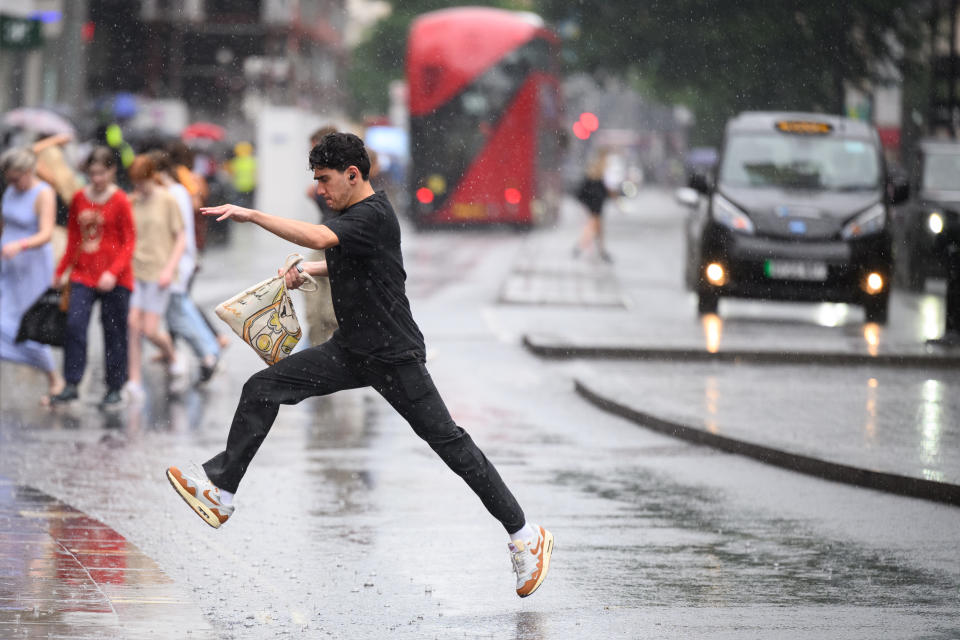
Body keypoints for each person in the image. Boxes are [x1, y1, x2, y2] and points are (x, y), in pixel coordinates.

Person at [166, 133, 553, 599]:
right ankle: (222, 492)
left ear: (354, 174)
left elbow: (319, 238)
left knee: (450, 443)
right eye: (315, 181)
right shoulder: (354, 216)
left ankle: (526, 534)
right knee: (263, 388)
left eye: (325, 180)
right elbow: (352, 260)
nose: (319, 190)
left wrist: (250, 214)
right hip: (352, 349)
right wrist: (309, 271)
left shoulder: (371, 214)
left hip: (393, 354)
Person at [50, 147, 136, 407]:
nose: (96, 178)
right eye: (92, 173)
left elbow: (129, 241)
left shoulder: (120, 200)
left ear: (111, 171)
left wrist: (113, 272)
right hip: (83, 273)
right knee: (75, 326)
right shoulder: (79, 198)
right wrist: (61, 269)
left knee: (113, 332)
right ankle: (72, 382)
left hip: (115, 278)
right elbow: (74, 237)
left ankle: (114, 387)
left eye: (101, 173)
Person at [150, 150, 221, 381]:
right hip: (180, 259)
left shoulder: (173, 193)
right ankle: (209, 350)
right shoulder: (179, 190)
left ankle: (209, 352)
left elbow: (176, 231)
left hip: (177, 261)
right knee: (179, 310)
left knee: (178, 312)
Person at [0, 147, 65, 400]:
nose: (13, 183)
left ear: (28, 172)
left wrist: (21, 244)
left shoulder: (43, 193)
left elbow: (46, 233)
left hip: (32, 264)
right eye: (9, 179)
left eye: (17, 178)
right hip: (8, 263)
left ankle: (53, 377)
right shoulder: (10, 191)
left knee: (28, 326)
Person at [126, 154, 187, 398]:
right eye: (135, 181)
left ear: (152, 177)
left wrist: (169, 268)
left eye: (142, 180)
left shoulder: (167, 200)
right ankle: (134, 381)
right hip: (134, 270)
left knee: (150, 330)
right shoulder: (132, 202)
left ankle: (173, 355)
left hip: (159, 272)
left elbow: (180, 237)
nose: (139, 186)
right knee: (132, 325)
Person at [302, 125, 340, 345]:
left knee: (330, 313)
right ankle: (314, 349)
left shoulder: (342, 175)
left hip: (336, 240)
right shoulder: (322, 177)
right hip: (323, 238)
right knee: (315, 309)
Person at [573, 152, 613, 262]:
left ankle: (598, 251)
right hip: (594, 210)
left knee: (596, 231)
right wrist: (589, 205)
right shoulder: (592, 181)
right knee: (593, 230)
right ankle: (583, 249)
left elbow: (603, 194)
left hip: (597, 209)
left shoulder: (598, 181)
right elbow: (582, 195)